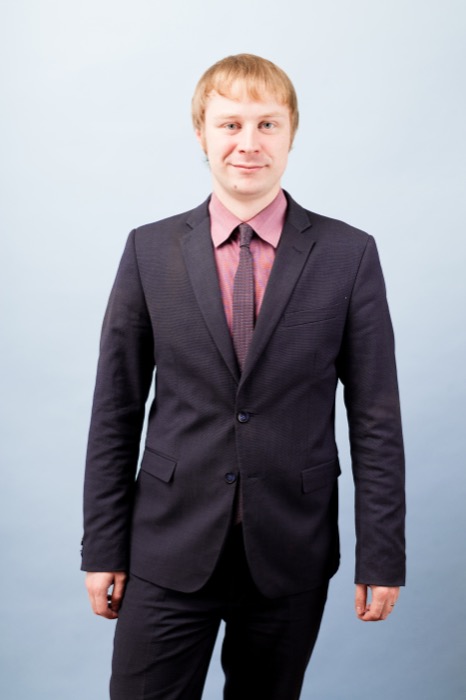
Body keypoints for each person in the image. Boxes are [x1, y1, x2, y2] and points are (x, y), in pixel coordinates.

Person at [82, 53, 406, 700]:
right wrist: (103, 547)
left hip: (291, 547)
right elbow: (115, 411)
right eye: (230, 125)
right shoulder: (149, 250)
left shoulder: (349, 254)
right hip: (167, 544)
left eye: (267, 124)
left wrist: (382, 555)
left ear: (292, 134)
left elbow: (376, 419)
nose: (248, 143)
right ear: (201, 133)